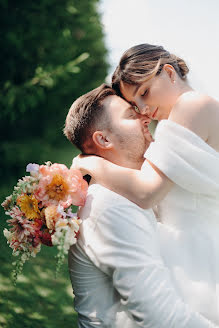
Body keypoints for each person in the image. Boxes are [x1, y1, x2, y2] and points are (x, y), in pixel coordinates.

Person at [72, 44, 219, 324]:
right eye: (135, 103)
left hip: (198, 256)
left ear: (168, 73)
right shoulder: (180, 120)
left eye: (144, 93)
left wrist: (88, 162)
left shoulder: (192, 105)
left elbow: (146, 192)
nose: (144, 109)